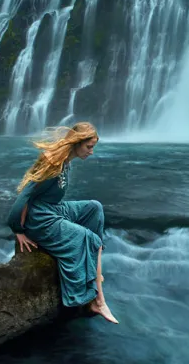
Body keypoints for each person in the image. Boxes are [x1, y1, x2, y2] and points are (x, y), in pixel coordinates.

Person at [7, 122, 118, 324]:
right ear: (77, 142)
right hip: (40, 218)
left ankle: (90, 270)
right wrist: (18, 230)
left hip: (52, 209)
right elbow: (24, 195)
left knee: (94, 207)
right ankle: (98, 301)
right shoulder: (52, 163)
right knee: (90, 238)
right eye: (89, 147)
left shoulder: (66, 160)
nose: (91, 152)